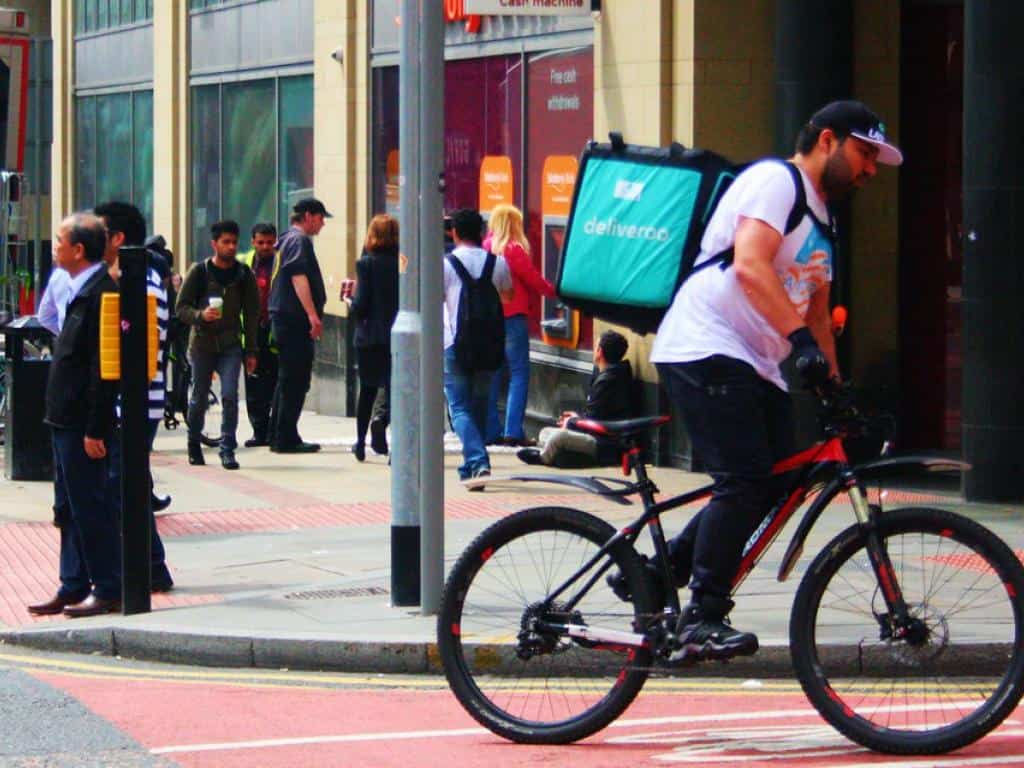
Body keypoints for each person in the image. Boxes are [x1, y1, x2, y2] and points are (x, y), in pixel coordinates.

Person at [630, 100, 903, 663]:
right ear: (828, 140)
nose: (871, 169)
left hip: (754, 360)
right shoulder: (775, 181)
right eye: (865, 153)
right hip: (706, 344)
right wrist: (800, 346)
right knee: (744, 477)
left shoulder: (825, 220)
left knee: (782, 477)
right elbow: (752, 264)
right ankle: (701, 616)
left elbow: (820, 314)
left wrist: (836, 390)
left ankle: (657, 574)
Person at [29, 213, 122, 617]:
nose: (55, 248)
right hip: (62, 417)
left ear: (79, 250)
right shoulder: (77, 289)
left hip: (83, 423)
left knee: (90, 505)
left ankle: (106, 586)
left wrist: (96, 428)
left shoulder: (103, 294)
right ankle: (72, 583)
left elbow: (105, 369)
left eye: (59, 242)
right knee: (67, 507)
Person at [94, 201, 174, 592]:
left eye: (99, 233)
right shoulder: (128, 277)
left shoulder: (139, 282)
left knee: (123, 485)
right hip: (133, 403)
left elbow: (136, 350)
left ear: (118, 238)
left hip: (136, 403)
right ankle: (150, 568)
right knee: (128, 484)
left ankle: (148, 570)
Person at [176, 219, 260, 469]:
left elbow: (252, 313)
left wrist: (252, 350)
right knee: (199, 397)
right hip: (202, 344)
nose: (231, 247)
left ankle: (227, 447)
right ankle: (193, 442)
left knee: (230, 395)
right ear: (214, 244)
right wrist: (200, 315)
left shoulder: (244, 274)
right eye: (226, 242)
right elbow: (180, 308)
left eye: (234, 242)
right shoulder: (199, 271)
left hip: (230, 344)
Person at [443, 208, 513, 484]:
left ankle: (477, 460)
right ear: (482, 232)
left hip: (455, 342)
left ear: (455, 233)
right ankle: (472, 464)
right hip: (489, 342)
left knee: (459, 407)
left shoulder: (447, 264)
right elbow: (508, 296)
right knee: (482, 404)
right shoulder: (497, 262)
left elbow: (435, 300)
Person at [482, 204, 555, 448]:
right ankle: (513, 431)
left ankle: (491, 430)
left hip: (490, 319)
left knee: (492, 373)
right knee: (519, 373)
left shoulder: (485, 247)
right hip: (512, 317)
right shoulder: (513, 249)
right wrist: (557, 291)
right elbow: (533, 279)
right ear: (513, 224)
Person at [517, 330, 634, 468]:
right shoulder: (608, 374)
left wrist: (572, 422)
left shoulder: (608, 380)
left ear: (599, 352)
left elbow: (594, 423)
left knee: (558, 438)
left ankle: (544, 457)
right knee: (545, 432)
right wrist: (575, 418)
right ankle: (557, 454)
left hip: (604, 443)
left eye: (595, 347)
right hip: (597, 435)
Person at [268, 198, 330, 454]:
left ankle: (278, 434)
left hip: (286, 319)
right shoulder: (298, 240)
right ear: (308, 216)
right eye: (320, 218)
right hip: (293, 320)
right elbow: (298, 277)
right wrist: (312, 316)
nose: (322, 223)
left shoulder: (287, 239)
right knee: (295, 379)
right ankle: (286, 437)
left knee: (287, 378)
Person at [344, 214, 399, 461]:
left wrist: (349, 302)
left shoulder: (366, 264)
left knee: (366, 390)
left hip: (369, 337)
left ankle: (359, 443)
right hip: (397, 335)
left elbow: (362, 303)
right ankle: (387, 428)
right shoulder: (403, 262)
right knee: (394, 388)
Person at [238, 222, 280, 447]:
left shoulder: (281, 262)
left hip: (274, 330)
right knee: (253, 385)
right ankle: (259, 431)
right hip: (250, 332)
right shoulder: (244, 263)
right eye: (261, 242)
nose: (265, 246)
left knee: (274, 382)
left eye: (270, 242)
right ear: (253, 242)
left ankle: (274, 429)